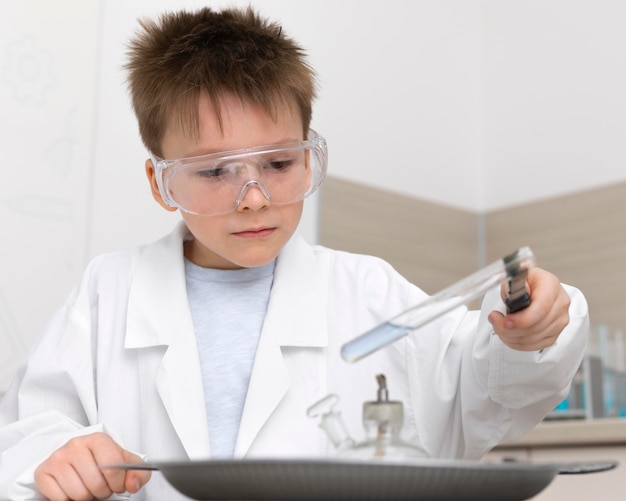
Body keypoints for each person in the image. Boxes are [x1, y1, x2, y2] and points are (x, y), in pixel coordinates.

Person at [0, 6, 588, 501]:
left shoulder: (368, 292)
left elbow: (483, 390)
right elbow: (25, 431)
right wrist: (54, 455)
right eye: (214, 171)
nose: (253, 199)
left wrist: (529, 331)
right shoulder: (109, 294)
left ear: (308, 160)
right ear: (161, 184)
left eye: (278, 164)